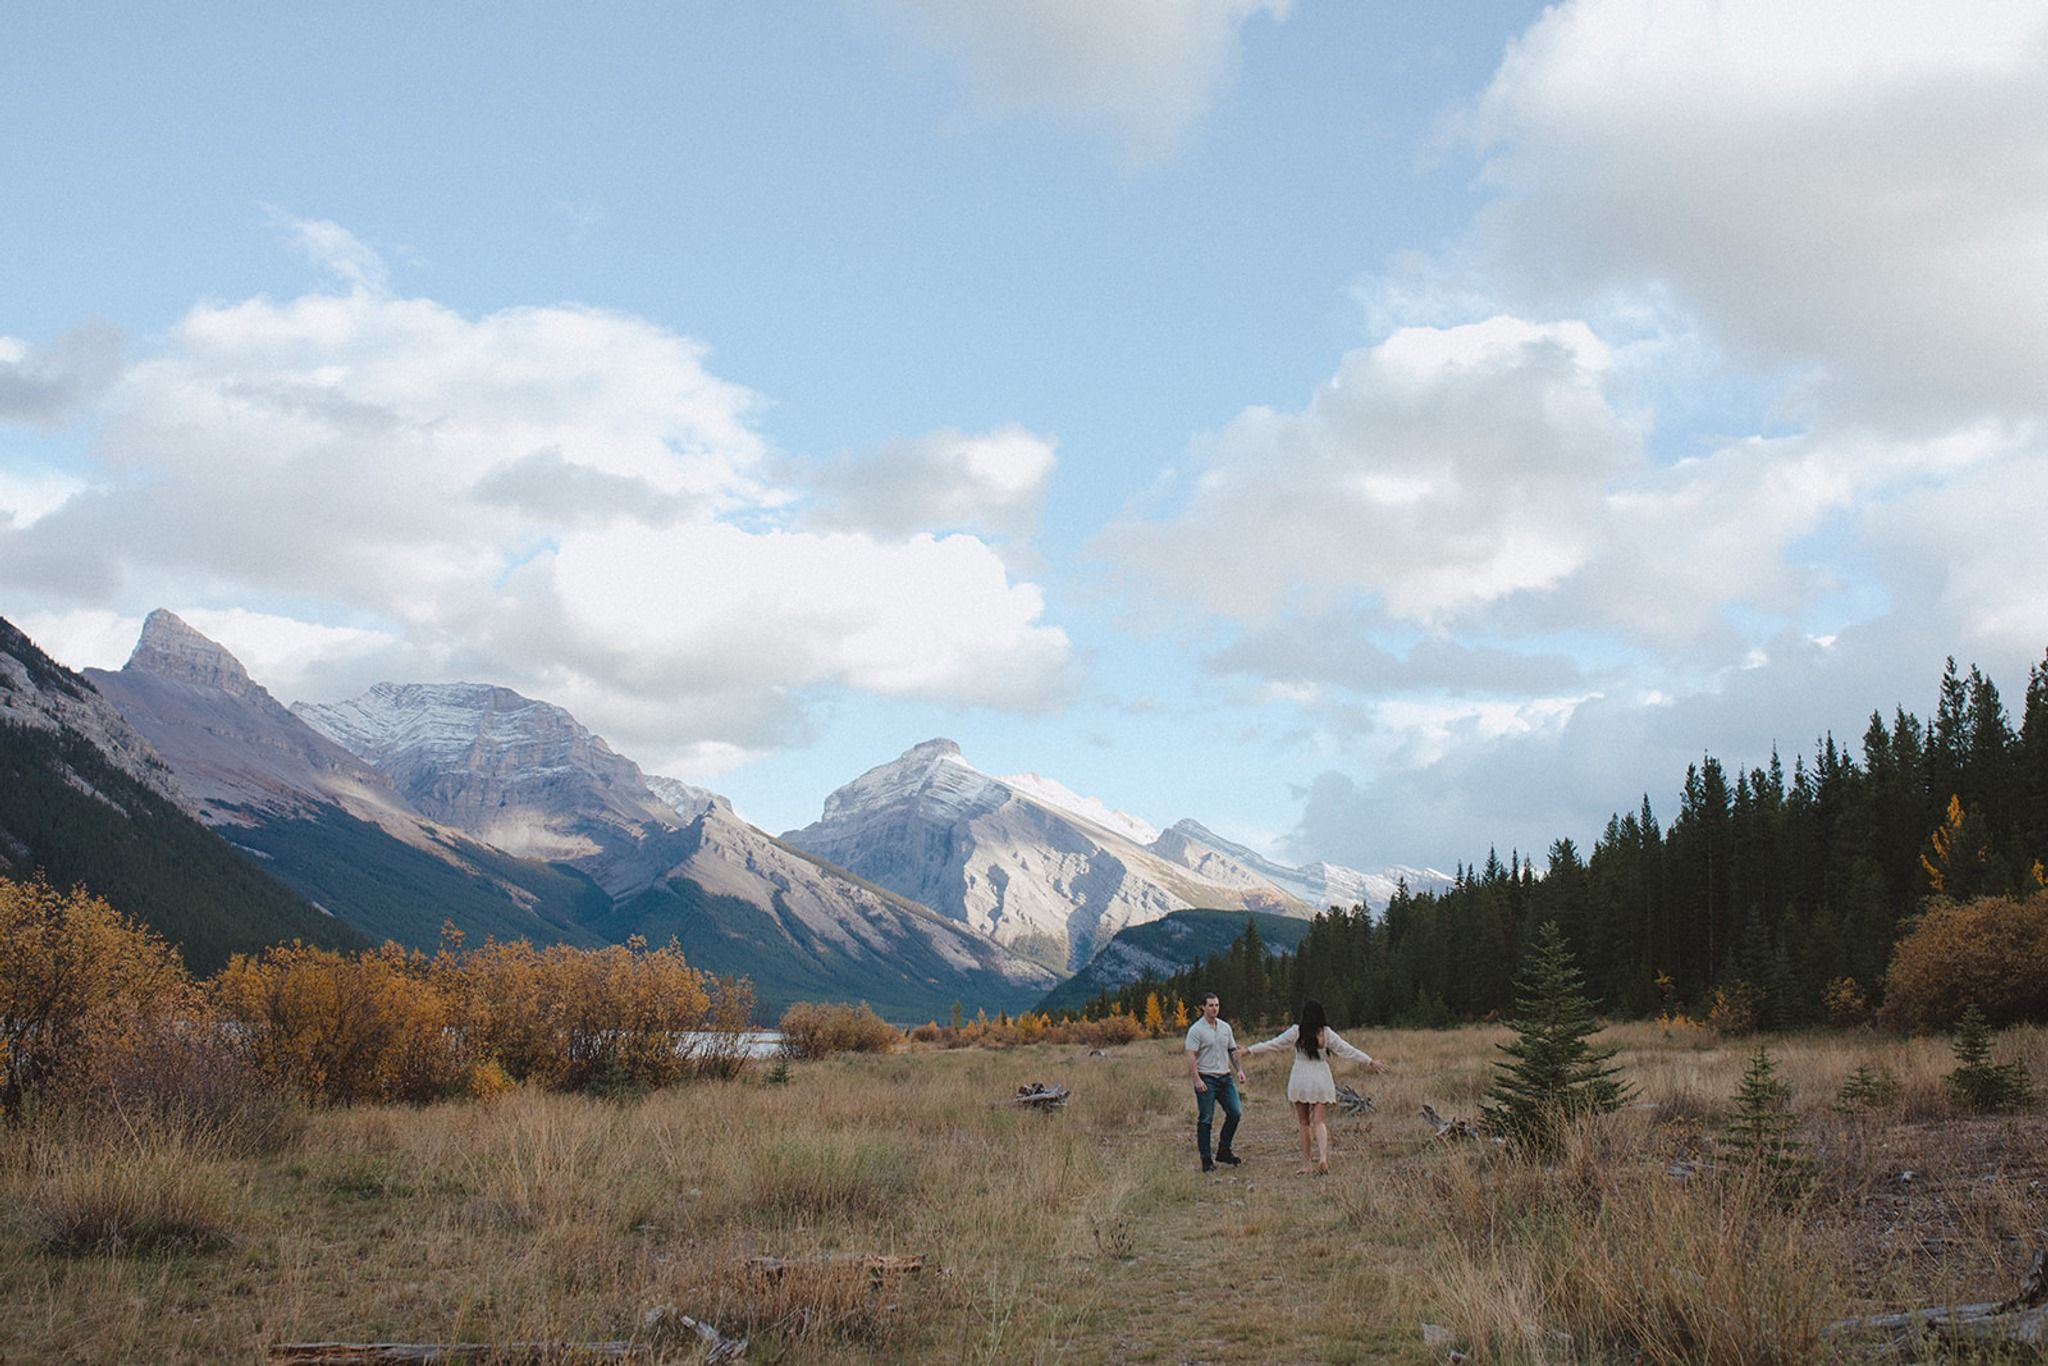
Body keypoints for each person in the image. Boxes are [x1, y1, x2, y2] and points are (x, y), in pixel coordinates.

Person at [1243, 999, 1387, 1174]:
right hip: (1320, 1078)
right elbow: (1348, 1050)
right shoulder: (1326, 1034)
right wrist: (1370, 1061)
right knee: (1320, 1122)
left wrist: (1249, 1049)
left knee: (1304, 1123)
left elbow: (1273, 1044)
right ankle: (1324, 1158)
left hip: (1300, 1078)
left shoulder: (1297, 1032)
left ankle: (1307, 1164)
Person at [1183, 991, 1246, 1172]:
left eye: (1217, 1005)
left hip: (1225, 1077)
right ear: (1203, 1007)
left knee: (1235, 1113)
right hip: (1206, 1078)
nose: (1214, 1009)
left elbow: (1232, 1050)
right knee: (1206, 1118)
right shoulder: (1196, 1030)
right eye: (1210, 1005)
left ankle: (1224, 1150)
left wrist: (1239, 1070)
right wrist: (1196, 1079)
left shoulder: (1225, 1028)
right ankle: (1206, 1159)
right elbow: (1191, 1056)